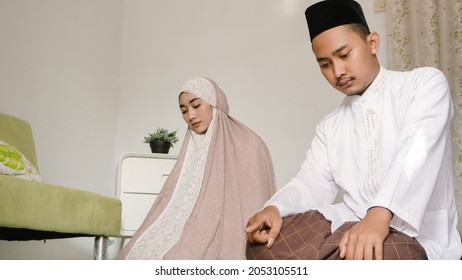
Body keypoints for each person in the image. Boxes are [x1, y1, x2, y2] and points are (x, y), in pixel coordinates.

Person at [245, 0, 462, 260]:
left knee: (377, 257)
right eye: (325, 64)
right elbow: (310, 182)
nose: (338, 72)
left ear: (372, 43)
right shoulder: (330, 125)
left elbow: (415, 154)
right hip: (352, 223)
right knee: (264, 242)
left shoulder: (423, 85)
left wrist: (378, 216)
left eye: (344, 55)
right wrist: (274, 208)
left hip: (417, 235)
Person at [116, 76, 275, 259]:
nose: (190, 116)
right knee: (141, 252)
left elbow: (256, 204)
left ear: (215, 103)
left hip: (232, 235)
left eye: (196, 105)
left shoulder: (250, 145)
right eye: (184, 111)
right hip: (189, 231)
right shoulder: (192, 148)